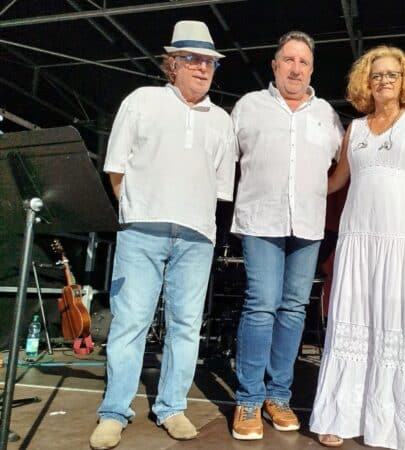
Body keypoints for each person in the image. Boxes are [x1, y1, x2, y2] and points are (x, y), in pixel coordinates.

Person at [89, 21, 236, 450]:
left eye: (209, 62)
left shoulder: (222, 121)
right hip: (142, 230)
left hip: (196, 236)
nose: (202, 68)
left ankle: (172, 407)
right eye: (192, 59)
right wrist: (138, 212)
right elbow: (115, 169)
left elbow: (220, 188)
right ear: (172, 64)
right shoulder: (142, 101)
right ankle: (114, 412)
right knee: (130, 322)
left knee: (186, 325)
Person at [309, 45, 405, 449]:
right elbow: (336, 181)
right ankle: (339, 416)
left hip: (403, 241)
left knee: (398, 323)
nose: (384, 81)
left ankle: (399, 425)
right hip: (357, 240)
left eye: (392, 74)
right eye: (377, 75)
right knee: (354, 322)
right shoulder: (354, 129)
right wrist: (291, 185)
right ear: (365, 83)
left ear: (404, 80)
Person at [229, 31, 344, 441]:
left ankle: (278, 396)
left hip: (308, 225)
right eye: (289, 60)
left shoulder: (327, 114)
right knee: (261, 305)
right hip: (261, 220)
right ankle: (248, 399)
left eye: (303, 62)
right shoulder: (248, 107)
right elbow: (222, 159)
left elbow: (346, 165)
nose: (296, 68)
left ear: (312, 70)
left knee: (294, 309)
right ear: (275, 65)